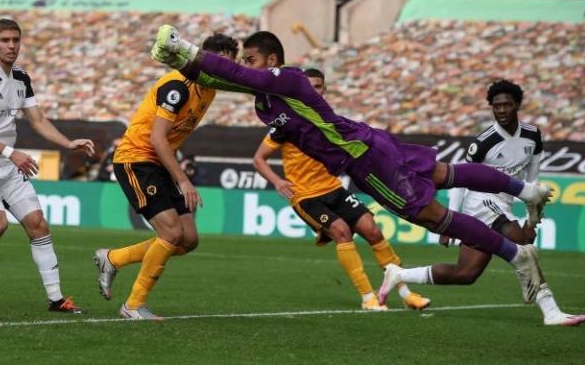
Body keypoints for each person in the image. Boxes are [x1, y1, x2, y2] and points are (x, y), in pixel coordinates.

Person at [150, 26, 552, 307]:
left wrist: (182, 46)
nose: (246, 65)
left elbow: (232, 73)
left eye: (252, 58)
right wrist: (177, 62)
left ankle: (514, 255)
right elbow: (227, 80)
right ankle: (527, 192)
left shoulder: (287, 81)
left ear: (271, 60)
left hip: (362, 156)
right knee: (447, 174)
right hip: (365, 145)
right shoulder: (263, 97)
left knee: (430, 215)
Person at [385, 80, 585, 326]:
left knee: (465, 274)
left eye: (507, 105)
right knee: (521, 241)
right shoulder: (484, 142)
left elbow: (533, 179)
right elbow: (460, 179)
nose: (502, 110)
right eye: (497, 106)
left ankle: (398, 274)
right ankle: (551, 311)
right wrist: (451, 222)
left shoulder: (533, 135)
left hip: (506, 202)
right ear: (491, 107)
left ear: (517, 106)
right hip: (482, 201)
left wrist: (531, 214)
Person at [0, 18, 94, 315]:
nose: (11, 46)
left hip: (7, 166)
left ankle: (56, 298)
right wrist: (12, 152)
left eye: (16, 40)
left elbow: (37, 120)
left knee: (38, 225)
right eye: (5, 40)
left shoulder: (21, 78)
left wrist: (67, 142)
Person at [252, 68, 429, 311]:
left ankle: (406, 293)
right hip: (306, 196)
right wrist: (277, 181)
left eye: (318, 86)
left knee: (373, 231)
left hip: (334, 188)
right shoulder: (287, 122)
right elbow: (259, 158)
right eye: (309, 86)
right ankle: (368, 297)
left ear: (325, 90)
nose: (314, 90)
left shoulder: (330, 120)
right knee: (342, 231)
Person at [95, 33, 240, 320]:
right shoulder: (178, 86)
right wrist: (184, 179)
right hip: (136, 159)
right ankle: (133, 305)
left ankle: (113, 258)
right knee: (172, 233)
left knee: (188, 240)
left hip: (158, 163)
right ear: (204, 60)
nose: (226, 71)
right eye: (222, 64)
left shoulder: (209, 88)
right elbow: (158, 138)